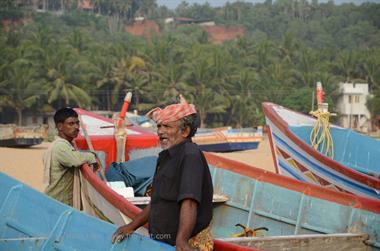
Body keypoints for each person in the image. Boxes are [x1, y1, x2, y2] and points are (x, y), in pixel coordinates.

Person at [112, 97, 214, 251]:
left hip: (188, 241)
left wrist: (182, 240)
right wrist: (131, 226)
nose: (160, 131)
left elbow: (189, 201)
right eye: (159, 126)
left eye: (167, 126)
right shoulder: (165, 157)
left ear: (185, 131)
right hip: (165, 240)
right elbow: (157, 200)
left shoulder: (190, 155)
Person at [43, 107, 97, 206]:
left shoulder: (64, 145)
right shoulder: (60, 146)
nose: (76, 127)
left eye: (77, 123)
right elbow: (75, 160)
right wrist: (93, 157)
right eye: (71, 124)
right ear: (60, 126)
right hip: (58, 202)